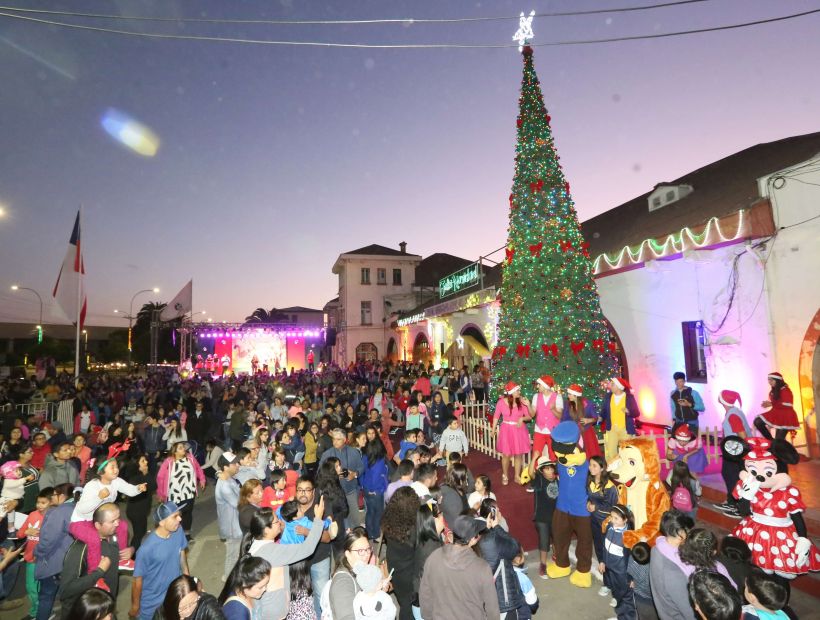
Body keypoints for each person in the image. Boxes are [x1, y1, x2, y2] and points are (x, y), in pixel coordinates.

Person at [70, 444, 146, 572]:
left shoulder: (116, 481)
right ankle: (95, 572)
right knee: (94, 539)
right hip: (81, 522)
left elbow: (130, 490)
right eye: (112, 467)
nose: (116, 469)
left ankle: (121, 559)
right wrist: (99, 497)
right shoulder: (92, 485)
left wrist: (138, 488)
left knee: (122, 526)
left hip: (98, 521)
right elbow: (82, 509)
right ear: (101, 472)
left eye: (116, 466)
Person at [419, 514, 500, 620]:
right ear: (473, 539)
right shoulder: (482, 568)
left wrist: (429, 617)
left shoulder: (433, 558)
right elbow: (492, 610)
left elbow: (425, 596)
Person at [58, 503, 121, 618]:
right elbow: (66, 590)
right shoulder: (80, 548)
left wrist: (129, 551)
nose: (118, 523)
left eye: (118, 519)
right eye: (113, 521)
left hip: (105, 607)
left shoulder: (112, 535)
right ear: (97, 525)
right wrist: (99, 571)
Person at [131, 501, 190, 620]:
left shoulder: (178, 531)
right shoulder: (146, 549)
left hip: (174, 597)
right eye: (174, 516)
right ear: (162, 522)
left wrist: (187, 582)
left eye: (179, 514)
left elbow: (182, 557)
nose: (179, 519)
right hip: (152, 605)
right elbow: (137, 582)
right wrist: (135, 606)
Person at [293, 477, 337, 617]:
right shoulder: (291, 507)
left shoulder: (321, 508)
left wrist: (306, 531)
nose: (303, 493)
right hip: (298, 562)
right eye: (300, 490)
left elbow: (327, 537)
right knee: (301, 596)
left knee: (321, 595)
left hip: (319, 559)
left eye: (307, 490)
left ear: (313, 492)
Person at [33, 482, 75, 620]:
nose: (53, 497)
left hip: (54, 562)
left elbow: (47, 541)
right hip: (69, 559)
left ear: (62, 496)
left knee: (46, 596)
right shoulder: (75, 507)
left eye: (55, 495)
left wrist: (36, 552)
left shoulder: (58, 512)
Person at [477, 500, 526, 617]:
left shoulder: (475, 531)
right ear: (492, 514)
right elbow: (514, 547)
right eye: (497, 510)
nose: (499, 513)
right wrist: (497, 526)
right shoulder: (492, 538)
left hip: (482, 595)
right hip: (502, 595)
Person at [649, 510, 697, 620]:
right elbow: (689, 611)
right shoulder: (674, 572)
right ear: (680, 533)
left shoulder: (656, 548)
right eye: (687, 530)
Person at [382, 487, 420, 620]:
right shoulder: (413, 530)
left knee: (403, 599)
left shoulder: (388, 521)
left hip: (394, 566)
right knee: (409, 605)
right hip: (409, 572)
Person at [158, 441, 207, 538]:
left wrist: (202, 479)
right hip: (174, 494)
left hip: (189, 492)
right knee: (175, 515)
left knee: (188, 513)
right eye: (180, 448)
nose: (184, 449)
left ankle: (187, 533)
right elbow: (160, 478)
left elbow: (198, 468)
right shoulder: (168, 461)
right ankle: (176, 534)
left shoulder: (190, 458)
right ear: (175, 452)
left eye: (183, 447)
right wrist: (161, 494)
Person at [715, 390, 752, 518]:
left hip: (736, 451)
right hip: (733, 449)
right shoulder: (733, 411)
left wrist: (741, 451)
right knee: (728, 473)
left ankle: (739, 506)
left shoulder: (733, 415)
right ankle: (732, 501)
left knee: (733, 476)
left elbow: (742, 434)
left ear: (723, 400)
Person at [318, 429, 364, 529]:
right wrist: (332, 475)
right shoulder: (327, 454)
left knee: (355, 519)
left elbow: (361, 467)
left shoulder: (354, 452)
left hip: (350, 491)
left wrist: (355, 474)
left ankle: (355, 537)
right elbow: (319, 472)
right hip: (334, 494)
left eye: (338, 439)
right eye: (333, 439)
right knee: (338, 522)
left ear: (344, 440)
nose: (335, 442)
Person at [17, 487, 51, 620]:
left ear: (51, 502)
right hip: (30, 558)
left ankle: (39, 612)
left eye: (43, 503)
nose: (39, 506)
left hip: (45, 559)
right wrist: (27, 532)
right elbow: (19, 533)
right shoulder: (32, 515)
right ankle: (36, 611)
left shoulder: (53, 517)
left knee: (41, 588)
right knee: (31, 587)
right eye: (38, 502)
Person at [492, 382, 532, 486]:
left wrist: (522, 418)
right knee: (506, 455)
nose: (519, 392)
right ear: (511, 392)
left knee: (518, 454)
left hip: (519, 430)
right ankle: (505, 475)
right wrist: (493, 430)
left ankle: (516, 476)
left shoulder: (522, 402)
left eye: (519, 390)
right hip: (506, 430)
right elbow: (496, 416)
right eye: (517, 390)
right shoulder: (501, 402)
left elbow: (529, 416)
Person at [586, 454, 619, 581]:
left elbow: (614, 509)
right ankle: (606, 581)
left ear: (602, 468)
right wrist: (588, 503)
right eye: (590, 465)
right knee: (599, 548)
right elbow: (589, 498)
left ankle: (612, 581)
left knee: (609, 552)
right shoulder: (590, 481)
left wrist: (597, 508)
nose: (590, 468)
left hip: (606, 523)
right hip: (594, 521)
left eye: (594, 465)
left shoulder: (610, 487)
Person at [600, 504, 635, 620]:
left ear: (625, 519)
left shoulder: (628, 536)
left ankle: (626, 617)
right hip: (611, 569)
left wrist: (631, 577)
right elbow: (605, 547)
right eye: (611, 517)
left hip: (622, 572)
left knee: (625, 596)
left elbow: (631, 559)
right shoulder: (610, 528)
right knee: (616, 591)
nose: (612, 520)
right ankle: (620, 614)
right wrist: (602, 561)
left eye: (616, 518)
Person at [412, 503, 445, 620]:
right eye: (440, 514)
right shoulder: (432, 548)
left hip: (420, 600)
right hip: (427, 606)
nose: (443, 517)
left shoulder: (425, 538)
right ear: (433, 520)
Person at [215, 452, 243, 580]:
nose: (238, 465)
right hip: (232, 527)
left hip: (236, 523)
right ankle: (228, 580)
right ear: (226, 467)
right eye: (234, 463)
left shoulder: (228, 478)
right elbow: (239, 504)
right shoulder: (224, 486)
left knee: (236, 554)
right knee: (232, 555)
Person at [218, 555, 271, 620]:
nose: (265, 589)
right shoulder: (237, 614)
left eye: (266, 584)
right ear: (244, 585)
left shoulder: (243, 589)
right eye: (260, 587)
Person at [600, 377, 641, 461]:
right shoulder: (608, 396)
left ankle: (627, 470)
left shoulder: (629, 397)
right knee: (611, 453)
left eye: (612, 384)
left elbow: (637, 413)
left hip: (625, 429)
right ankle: (613, 471)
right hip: (611, 429)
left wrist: (629, 411)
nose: (610, 386)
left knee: (626, 452)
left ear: (619, 386)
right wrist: (601, 417)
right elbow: (604, 410)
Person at [123, 453, 156, 552]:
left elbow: (154, 486)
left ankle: (137, 553)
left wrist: (146, 474)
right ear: (137, 464)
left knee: (141, 533)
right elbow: (152, 486)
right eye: (143, 461)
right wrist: (146, 474)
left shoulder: (142, 474)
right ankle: (132, 556)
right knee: (139, 535)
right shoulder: (135, 478)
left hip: (140, 511)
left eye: (145, 460)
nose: (146, 462)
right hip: (137, 512)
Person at [154, 574, 224, 620]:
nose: (188, 611)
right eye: (182, 608)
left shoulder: (207, 604)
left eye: (192, 603)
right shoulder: (160, 614)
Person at [754, 372, 800, 440]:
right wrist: (769, 403)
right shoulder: (774, 390)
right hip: (777, 413)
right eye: (768, 380)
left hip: (786, 416)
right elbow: (776, 403)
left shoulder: (785, 390)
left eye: (771, 380)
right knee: (758, 421)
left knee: (779, 441)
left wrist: (771, 404)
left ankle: (775, 445)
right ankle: (771, 441)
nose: (769, 382)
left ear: (777, 380)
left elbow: (788, 404)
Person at [361, 431, 389, 541]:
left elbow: (361, 474)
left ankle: (369, 533)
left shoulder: (364, 457)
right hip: (376, 490)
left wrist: (364, 486)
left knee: (370, 512)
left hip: (367, 489)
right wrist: (378, 489)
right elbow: (377, 477)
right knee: (378, 513)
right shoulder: (380, 460)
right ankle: (377, 534)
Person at [563, 384, 601, 458]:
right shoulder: (568, 405)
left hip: (587, 432)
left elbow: (596, 418)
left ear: (576, 395)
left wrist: (589, 420)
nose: (568, 396)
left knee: (590, 452)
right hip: (574, 433)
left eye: (570, 394)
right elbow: (564, 419)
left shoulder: (588, 404)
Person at [628, 542, 657, 620]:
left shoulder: (630, 562)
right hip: (650, 599)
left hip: (639, 596)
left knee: (641, 615)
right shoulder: (651, 567)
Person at [439, 463, 469, 528]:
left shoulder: (446, 485)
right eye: (465, 477)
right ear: (460, 480)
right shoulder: (452, 498)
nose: (467, 477)